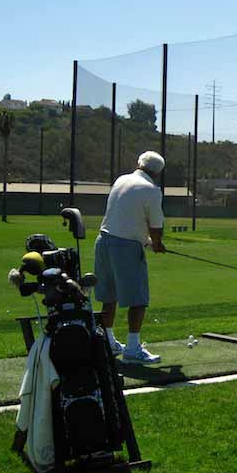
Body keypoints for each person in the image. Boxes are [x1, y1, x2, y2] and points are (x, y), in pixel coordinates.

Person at [94, 151, 167, 363]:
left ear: (138, 164)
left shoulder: (121, 180)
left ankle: (108, 342)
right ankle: (133, 348)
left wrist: (148, 242)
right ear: (157, 173)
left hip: (103, 241)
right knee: (138, 298)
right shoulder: (152, 190)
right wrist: (158, 244)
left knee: (109, 296)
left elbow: (127, 218)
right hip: (125, 247)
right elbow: (156, 227)